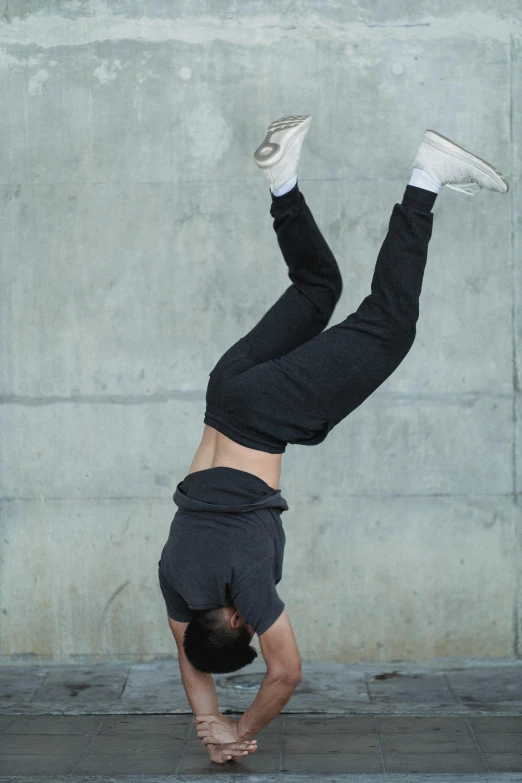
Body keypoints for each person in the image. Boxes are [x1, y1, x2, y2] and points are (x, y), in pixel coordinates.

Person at [158, 116, 509, 763]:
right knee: (318, 287)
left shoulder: (247, 589)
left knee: (390, 324)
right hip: (225, 391)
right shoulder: (176, 579)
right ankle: (281, 179)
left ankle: (426, 175)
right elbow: (191, 662)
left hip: (263, 416)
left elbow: (285, 673)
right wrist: (208, 727)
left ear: (235, 620)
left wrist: (238, 731)